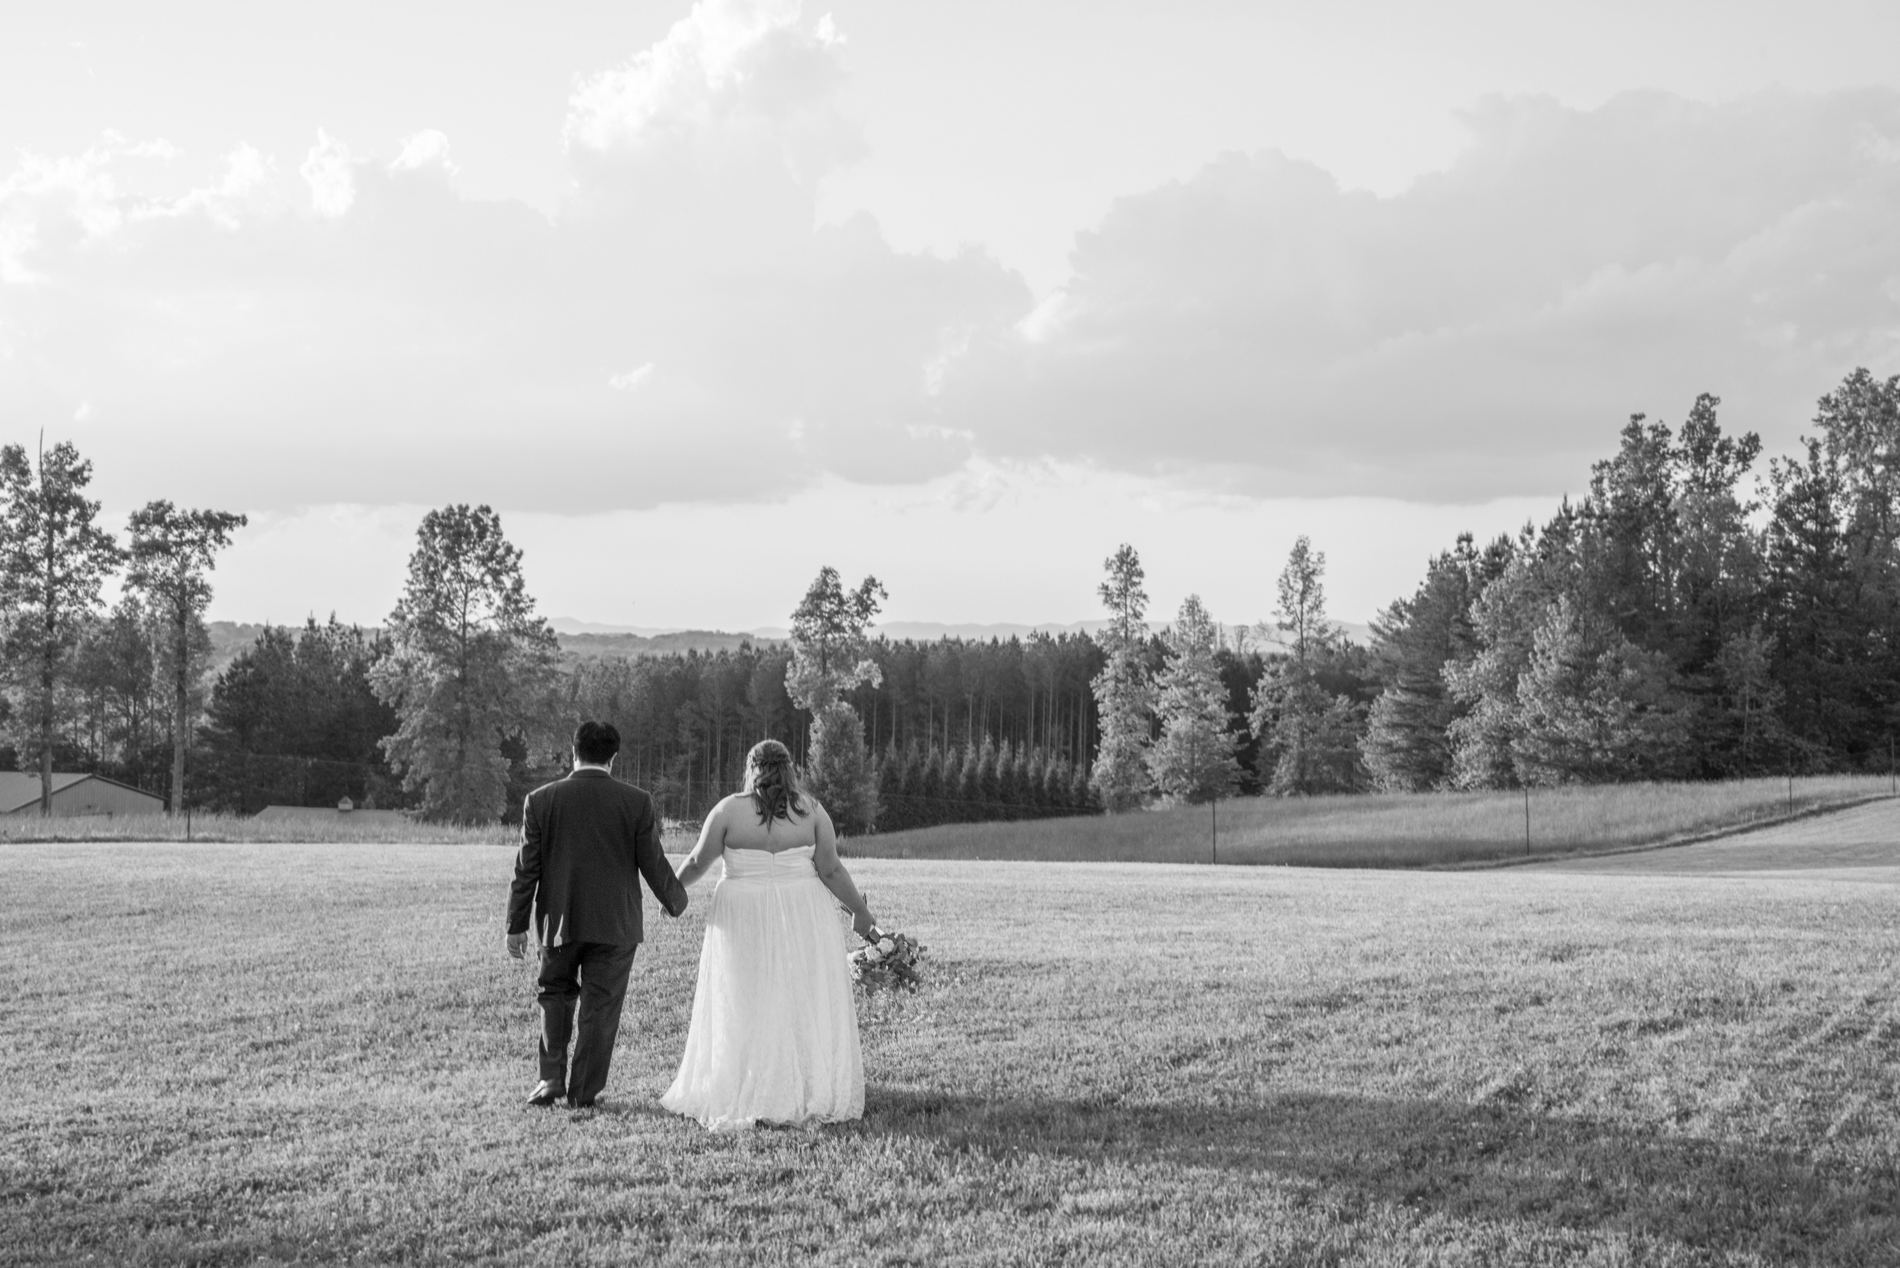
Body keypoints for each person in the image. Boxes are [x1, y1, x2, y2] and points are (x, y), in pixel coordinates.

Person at [661, 739, 877, 1130]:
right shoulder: (812, 811)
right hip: (802, 911)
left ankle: (749, 1079)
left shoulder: (728, 810)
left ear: (750, 768)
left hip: (742, 911)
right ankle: (801, 1081)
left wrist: (671, 894)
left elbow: (697, 861)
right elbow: (830, 870)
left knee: (744, 994)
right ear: (790, 768)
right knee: (800, 993)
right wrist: (860, 912)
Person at [506, 720, 688, 1109]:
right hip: (615, 924)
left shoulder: (540, 800)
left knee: (554, 994)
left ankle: (550, 1078)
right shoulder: (636, 801)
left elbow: (527, 869)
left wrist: (516, 925)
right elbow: (652, 862)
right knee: (600, 1006)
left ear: (573, 752)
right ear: (613, 757)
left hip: (559, 922)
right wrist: (676, 902)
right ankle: (583, 1091)